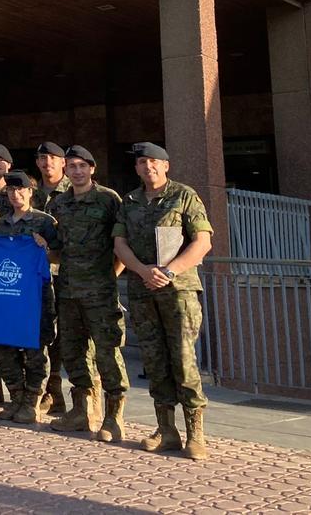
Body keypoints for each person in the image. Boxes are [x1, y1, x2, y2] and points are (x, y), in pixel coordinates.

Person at [113, 142, 213, 461]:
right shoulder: (129, 201)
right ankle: (166, 430)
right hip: (143, 289)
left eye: (154, 162)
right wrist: (143, 270)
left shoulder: (184, 195)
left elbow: (202, 241)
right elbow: (120, 243)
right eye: (142, 163)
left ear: (166, 166)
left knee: (183, 360)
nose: (148, 167)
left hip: (178, 291)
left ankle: (195, 433)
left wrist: (169, 271)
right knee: (154, 360)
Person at [46, 145, 128, 441]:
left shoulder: (108, 200)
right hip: (68, 291)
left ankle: (113, 416)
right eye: (73, 166)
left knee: (107, 353)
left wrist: (109, 277)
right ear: (66, 169)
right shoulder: (59, 204)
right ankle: (81, 410)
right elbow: (58, 251)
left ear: (92, 168)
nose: (77, 171)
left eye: (83, 166)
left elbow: (121, 244)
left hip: (100, 292)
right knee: (73, 353)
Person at [0, 170, 57, 424]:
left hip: (35, 298)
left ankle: (31, 401)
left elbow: (57, 257)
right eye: (11, 190)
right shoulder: (2, 225)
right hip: (5, 298)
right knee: (2, 349)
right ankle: (15, 396)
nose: (15, 194)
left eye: (20, 190)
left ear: (30, 192)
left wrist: (45, 250)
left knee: (35, 350)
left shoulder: (45, 222)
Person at [33, 141, 74, 416]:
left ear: (63, 163)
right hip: (37, 278)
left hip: (69, 276)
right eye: (42, 158)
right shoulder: (31, 195)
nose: (47, 162)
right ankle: (49, 391)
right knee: (43, 334)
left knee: (67, 338)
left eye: (53, 158)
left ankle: (67, 394)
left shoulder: (77, 192)